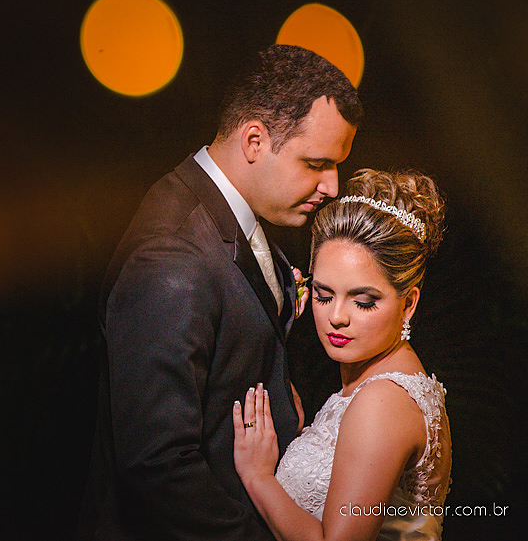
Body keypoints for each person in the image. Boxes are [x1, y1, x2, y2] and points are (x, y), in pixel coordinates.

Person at [79, 44, 363, 540]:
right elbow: (157, 463)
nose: (333, 185)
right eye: (316, 163)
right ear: (254, 140)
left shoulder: (228, 214)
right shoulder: (172, 256)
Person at [233, 169, 452, 541]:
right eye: (323, 295)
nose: (337, 317)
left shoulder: (382, 402)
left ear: (409, 304)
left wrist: (258, 476)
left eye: (363, 301)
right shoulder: (382, 383)